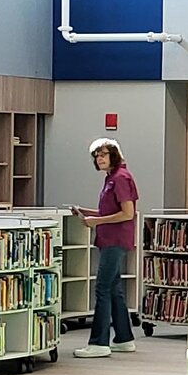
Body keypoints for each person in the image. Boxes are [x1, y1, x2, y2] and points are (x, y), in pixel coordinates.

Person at [74, 137, 139, 358]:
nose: (99, 159)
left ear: (114, 155)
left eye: (103, 154)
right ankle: (124, 338)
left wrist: (97, 221)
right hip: (111, 239)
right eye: (96, 156)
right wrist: (86, 212)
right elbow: (110, 212)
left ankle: (99, 343)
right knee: (113, 289)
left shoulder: (120, 178)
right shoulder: (112, 177)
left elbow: (127, 213)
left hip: (115, 240)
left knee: (102, 288)